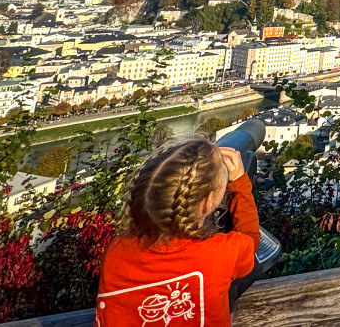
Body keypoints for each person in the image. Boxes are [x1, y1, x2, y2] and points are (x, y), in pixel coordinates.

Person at [96, 140, 259, 327]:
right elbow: (250, 240)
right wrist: (240, 183)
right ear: (207, 203)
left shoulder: (116, 251)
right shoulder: (220, 253)